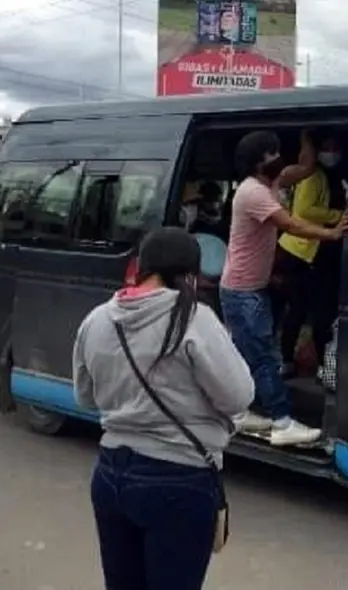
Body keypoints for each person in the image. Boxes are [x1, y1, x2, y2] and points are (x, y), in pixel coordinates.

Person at [72, 227, 255, 590]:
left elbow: (85, 398)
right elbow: (239, 396)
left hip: (110, 475)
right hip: (179, 482)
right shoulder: (194, 318)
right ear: (188, 273)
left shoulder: (96, 319)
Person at [220, 129, 348, 446]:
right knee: (264, 356)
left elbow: (305, 166)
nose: (277, 158)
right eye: (271, 154)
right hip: (242, 292)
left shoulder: (272, 182)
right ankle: (281, 422)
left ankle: (237, 413)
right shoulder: (254, 193)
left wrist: (307, 134)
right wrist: (332, 233)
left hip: (251, 287)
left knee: (246, 353)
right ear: (256, 162)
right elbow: (291, 224)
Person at [271, 130, 346, 376]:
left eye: (335, 148)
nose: (331, 153)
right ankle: (291, 360)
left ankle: (293, 359)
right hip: (300, 252)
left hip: (309, 251)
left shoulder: (328, 176)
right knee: (305, 309)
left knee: (305, 309)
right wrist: (338, 217)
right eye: (327, 147)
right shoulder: (313, 175)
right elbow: (304, 211)